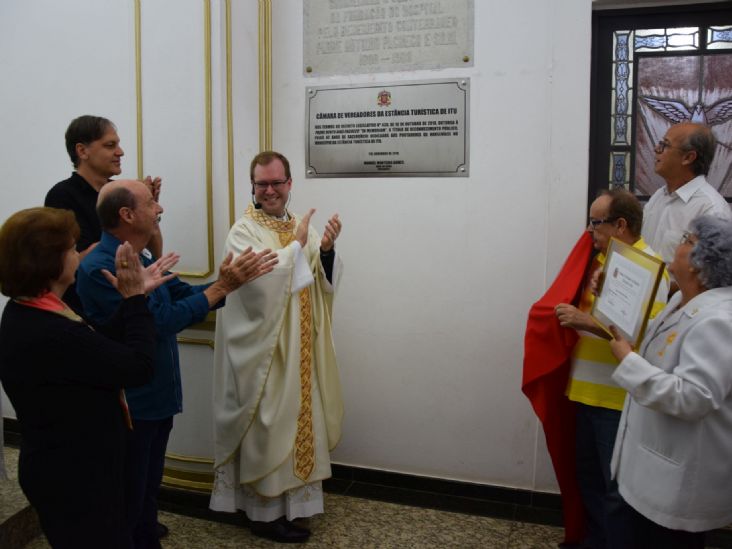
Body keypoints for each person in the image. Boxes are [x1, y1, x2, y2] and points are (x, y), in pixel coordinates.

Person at [76, 180, 278, 549]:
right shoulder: (100, 268)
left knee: (148, 489)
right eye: (152, 203)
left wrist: (230, 281)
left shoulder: (140, 257)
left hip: (157, 399)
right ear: (127, 214)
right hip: (131, 405)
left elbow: (182, 294)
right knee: (129, 495)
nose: (160, 209)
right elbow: (158, 323)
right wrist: (221, 289)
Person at [0, 206, 176, 549]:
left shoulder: (30, 309)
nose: (80, 253)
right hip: (74, 477)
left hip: (67, 465)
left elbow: (97, 344)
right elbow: (137, 367)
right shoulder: (49, 330)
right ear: (48, 261)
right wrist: (136, 299)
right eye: (71, 248)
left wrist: (133, 300)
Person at [210, 151, 344, 544]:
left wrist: (327, 251)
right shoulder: (243, 231)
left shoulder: (299, 224)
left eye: (276, 182)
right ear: (252, 186)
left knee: (299, 421)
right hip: (266, 353)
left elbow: (317, 277)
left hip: (300, 349)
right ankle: (263, 515)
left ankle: (293, 508)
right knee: (270, 426)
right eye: (261, 184)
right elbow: (256, 288)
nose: (269, 190)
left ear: (289, 184)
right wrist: (296, 249)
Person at [608, 215, 732, 549]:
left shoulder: (719, 321)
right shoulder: (681, 301)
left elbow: (692, 397)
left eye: (687, 240)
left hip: (677, 484)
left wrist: (627, 361)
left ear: (701, 265)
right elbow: (656, 347)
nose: (677, 245)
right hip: (649, 470)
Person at [554, 189, 668, 549]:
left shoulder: (650, 269)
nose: (589, 230)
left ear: (620, 224)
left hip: (616, 400)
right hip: (587, 392)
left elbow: (645, 338)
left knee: (614, 488)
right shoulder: (604, 260)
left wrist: (583, 322)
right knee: (588, 477)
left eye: (595, 222)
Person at [45, 115, 163, 314]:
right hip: (88, 309)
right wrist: (128, 221)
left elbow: (155, 255)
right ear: (82, 151)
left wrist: (147, 212)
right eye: (110, 145)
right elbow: (71, 263)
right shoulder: (62, 196)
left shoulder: (119, 192)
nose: (120, 152)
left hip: (133, 302)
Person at [642, 122, 731, 267]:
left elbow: (708, 278)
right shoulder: (659, 195)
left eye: (665, 145)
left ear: (688, 157)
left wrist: (658, 286)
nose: (656, 149)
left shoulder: (712, 211)